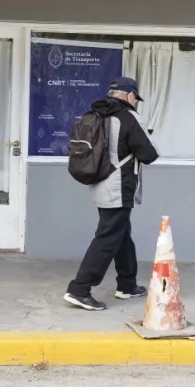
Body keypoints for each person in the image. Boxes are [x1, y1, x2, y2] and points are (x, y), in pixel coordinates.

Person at [64, 77, 160, 311]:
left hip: (100, 181)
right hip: (119, 184)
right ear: (129, 96)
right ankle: (80, 289)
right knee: (108, 236)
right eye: (135, 98)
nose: (135, 102)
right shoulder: (127, 116)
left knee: (121, 232)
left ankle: (127, 285)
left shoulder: (97, 114)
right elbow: (149, 153)